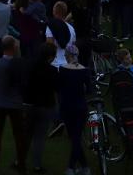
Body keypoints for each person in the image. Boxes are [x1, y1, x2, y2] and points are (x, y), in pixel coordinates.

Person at [0, 36, 28, 175]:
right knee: (19, 136)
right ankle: (21, 165)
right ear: (14, 47)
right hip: (15, 104)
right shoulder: (20, 64)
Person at [57, 42, 95, 175]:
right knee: (76, 137)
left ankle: (71, 167)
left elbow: (59, 88)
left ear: (68, 56)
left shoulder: (62, 69)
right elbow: (89, 90)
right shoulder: (84, 70)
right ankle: (84, 167)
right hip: (80, 107)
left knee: (74, 138)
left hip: (67, 107)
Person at [24, 43, 58, 174]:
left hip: (29, 104)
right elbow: (56, 88)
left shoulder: (30, 66)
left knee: (27, 134)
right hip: (45, 106)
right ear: (50, 57)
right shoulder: (52, 71)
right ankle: (37, 165)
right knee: (39, 137)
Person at [45, 1, 77, 68]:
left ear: (54, 12)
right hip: (67, 64)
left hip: (54, 64)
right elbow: (73, 47)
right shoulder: (71, 29)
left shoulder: (50, 26)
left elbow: (49, 47)